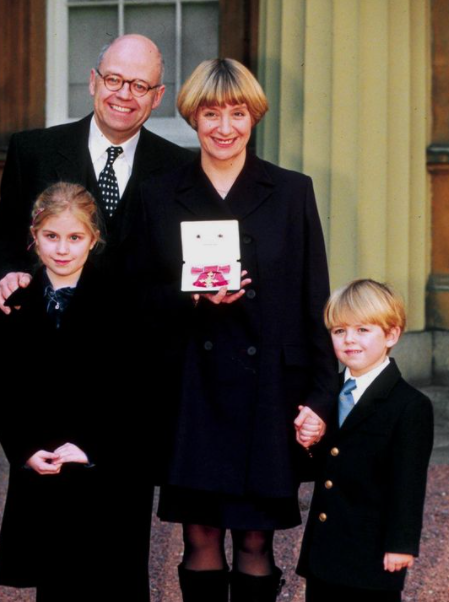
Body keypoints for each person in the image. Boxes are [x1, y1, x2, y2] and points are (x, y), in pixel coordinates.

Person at [0, 34, 193, 601]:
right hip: (51, 381)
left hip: (127, 399)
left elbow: (183, 263)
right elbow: (2, 237)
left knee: (121, 555)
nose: (125, 94)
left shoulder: (179, 167)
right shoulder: (33, 150)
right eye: (115, 80)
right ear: (94, 81)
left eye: (140, 86)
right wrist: (7, 274)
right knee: (55, 558)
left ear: (158, 98)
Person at [141, 58, 338, 602]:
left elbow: (314, 299)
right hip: (192, 390)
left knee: (257, 542)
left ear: (255, 117)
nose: (224, 127)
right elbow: (137, 297)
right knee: (198, 535)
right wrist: (191, 297)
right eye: (210, 113)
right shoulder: (159, 193)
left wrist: (323, 396)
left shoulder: (292, 191)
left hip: (270, 393)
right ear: (191, 118)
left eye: (237, 113)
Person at [0, 182, 112, 601]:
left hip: (103, 466)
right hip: (42, 460)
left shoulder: (121, 300)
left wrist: (93, 446)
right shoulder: (14, 301)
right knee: (52, 581)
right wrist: (24, 449)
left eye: (75, 237)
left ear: (93, 240)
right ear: (33, 238)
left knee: (106, 577)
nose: (62, 249)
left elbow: (135, 388)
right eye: (51, 236)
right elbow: (0, 390)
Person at [296, 279, 434, 602]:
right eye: (339, 331)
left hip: (372, 557)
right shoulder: (328, 396)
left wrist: (401, 543)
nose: (349, 340)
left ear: (391, 334)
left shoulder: (410, 406)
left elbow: (409, 483)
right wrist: (308, 442)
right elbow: (326, 466)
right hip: (325, 552)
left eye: (362, 330)